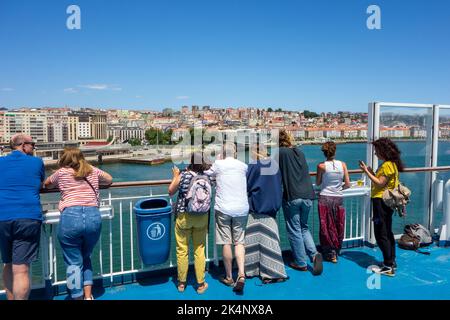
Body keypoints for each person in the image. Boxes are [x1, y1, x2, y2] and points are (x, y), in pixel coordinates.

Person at [44, 147, 113, 299]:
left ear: (64, 159)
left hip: (70, 217)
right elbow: (109, 179)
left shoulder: (61, 172)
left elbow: (47, 184)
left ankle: (76, 296)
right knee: (86, 256)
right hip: (93, 216)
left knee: (73, 261)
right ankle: (88, 296)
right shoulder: (92, 170)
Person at [0, 134, 44, 300]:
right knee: (21, 269)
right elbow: (40, 184)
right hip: (27, 216)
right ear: (24, 145)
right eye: (32, 144)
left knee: (8, 263)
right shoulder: (36, 162)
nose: (34, 148)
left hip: (2, 217)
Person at [277, 129, 323, 275]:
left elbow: (270, 172)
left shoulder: (279, 153)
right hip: (308, 195)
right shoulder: (299, 152)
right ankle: (314, 254)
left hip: (293, 196)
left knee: (294, 230)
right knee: (304, 227)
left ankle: (301, 262)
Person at [207, 142, 249, 293]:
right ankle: (242, 275)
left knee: (226, 242)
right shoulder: (243, 166)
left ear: (223, 153)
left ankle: (229, 277)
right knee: (239, 242)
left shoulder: (219, 164)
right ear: (236, 153)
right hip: (241, 208)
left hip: (224, 208)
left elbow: (207, 174)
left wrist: (217, 160)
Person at [244, 142, 288, 284]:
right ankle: (272, 270)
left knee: (252, 241)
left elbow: (247, 185)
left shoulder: (253, 166)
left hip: (256, 207)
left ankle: (252, 269)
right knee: (271, 241)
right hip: (271, 208)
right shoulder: (274, 165)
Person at [359, 137, 404, 277]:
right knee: (387, 231)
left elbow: (379, 183)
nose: (375, 153)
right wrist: (372, 172)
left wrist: (366, 172)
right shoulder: (392, 164)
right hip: (387, 202)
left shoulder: (386, 166)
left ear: (383, 151)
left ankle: (388, 266)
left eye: (376, 150)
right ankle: (391, 261)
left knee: (381, 233)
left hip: (381, 202)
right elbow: (383, 182)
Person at [168, 151, 211, 294]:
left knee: (182, 250)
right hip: (202, 216)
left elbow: (171, 191)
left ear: (191, 162)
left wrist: (175, 176)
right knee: (199, 250)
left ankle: (181, 283)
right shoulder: (207, 177)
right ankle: (200, 284)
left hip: (184, 216)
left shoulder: (184, 175)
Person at [316, 141, 350, 263]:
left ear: (324, 153)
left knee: (325, 226)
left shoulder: (321, 166)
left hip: (325, 198)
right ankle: (336, 249)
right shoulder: (343, 165)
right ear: (335, 151)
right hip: (338, 198)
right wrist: (339, 189)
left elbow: (319, 182)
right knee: (337, 224)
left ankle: (329, 253)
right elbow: (347, 184)